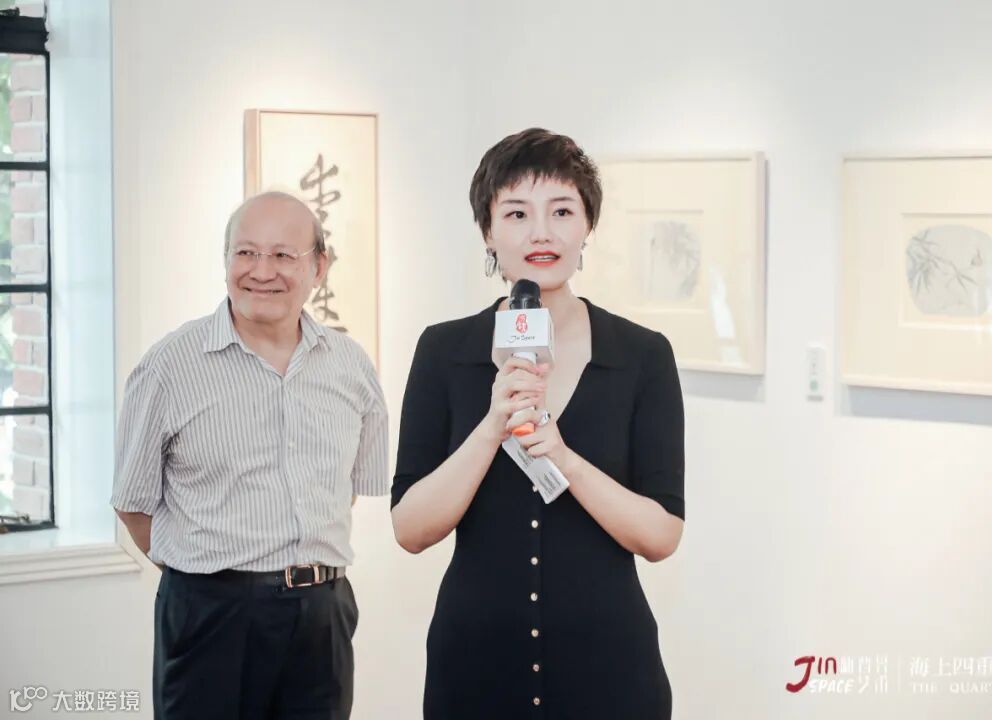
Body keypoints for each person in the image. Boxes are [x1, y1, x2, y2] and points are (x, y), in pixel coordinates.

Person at [391, 128, 685, 718]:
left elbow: (660, 536)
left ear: (587, 226)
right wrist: (491, 427)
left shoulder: (641, 354)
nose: (541, 232)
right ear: (488, 231)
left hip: (607, 669)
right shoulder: (445, 350)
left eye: (562, 211)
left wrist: (564, 457)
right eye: (517, 213)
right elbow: (410, 529)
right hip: (475, 668)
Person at [111, 191, 388, 720]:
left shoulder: (350, 366)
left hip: (323, 614)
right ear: (225, 261)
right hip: (210, 615)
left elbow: (347, 488)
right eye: (246, 253)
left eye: (283, 255)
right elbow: (132, 503)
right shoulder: (170, 365)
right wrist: (208, 574)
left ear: (319, 266)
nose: (262, 271)